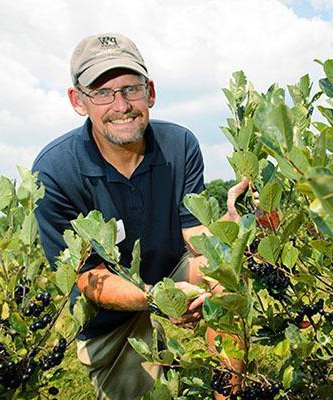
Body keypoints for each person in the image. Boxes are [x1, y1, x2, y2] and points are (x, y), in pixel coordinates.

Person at [33, 33, 246, 400]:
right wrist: (155, 298)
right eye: (102, 92)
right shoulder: (54, 172)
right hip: (108, 309)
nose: (121, 104)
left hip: (167, 264)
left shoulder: (180, 144)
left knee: (222, 270)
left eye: (130, 88)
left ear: (150, 92)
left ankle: (230, 394)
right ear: (78, 101)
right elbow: (88, 279)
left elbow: (194, 234)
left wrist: (229, 232)